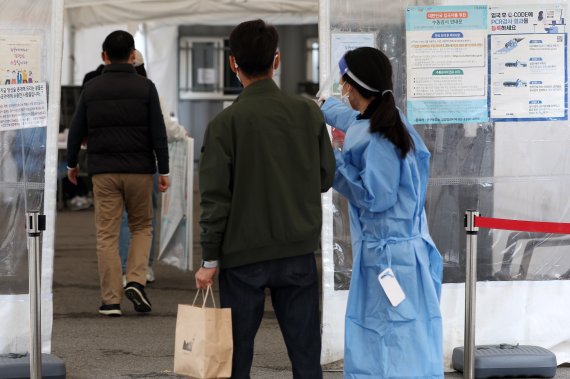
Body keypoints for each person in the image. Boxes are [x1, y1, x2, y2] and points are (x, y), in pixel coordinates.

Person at [194, 19, 335, 379]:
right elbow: (325, 177)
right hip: (298, 252)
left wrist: (209, 259)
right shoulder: (307, 113)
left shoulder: (224, 124)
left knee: (235, 358)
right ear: (277, 60)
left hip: (242, 257)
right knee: (305, 357)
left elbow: (214, 198)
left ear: (232, 64)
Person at [320, 47, 443, 378]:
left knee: (390, 341)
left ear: (352, 86)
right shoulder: (387, 118)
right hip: (397, 254)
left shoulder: (379, 138)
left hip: (390, 260)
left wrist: (333, 162)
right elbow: (354, 122)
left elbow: (377, 198)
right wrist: (324, 108)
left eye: (343, 84)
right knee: (395, 336)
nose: (341, 90)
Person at [67, 30, 170, 317]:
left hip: (104, 172)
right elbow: (158, 132)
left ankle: (110, 300)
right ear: (133, 55)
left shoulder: (92, 88)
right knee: (141, 227)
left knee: (107, 235)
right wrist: (164, 169)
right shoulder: (146, 87)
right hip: (139, 170)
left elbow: (76, 129)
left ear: (104, 56)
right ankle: (135, 280)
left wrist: (72, 164)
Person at [118, 49, 188, 284]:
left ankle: (124, 268)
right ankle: (144, 268)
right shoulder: (149, 89)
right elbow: (166, 127)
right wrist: (181, 133)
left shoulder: (109, 87)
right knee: (146, 219)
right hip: (147, 164)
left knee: (124, 218)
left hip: (115, 163)